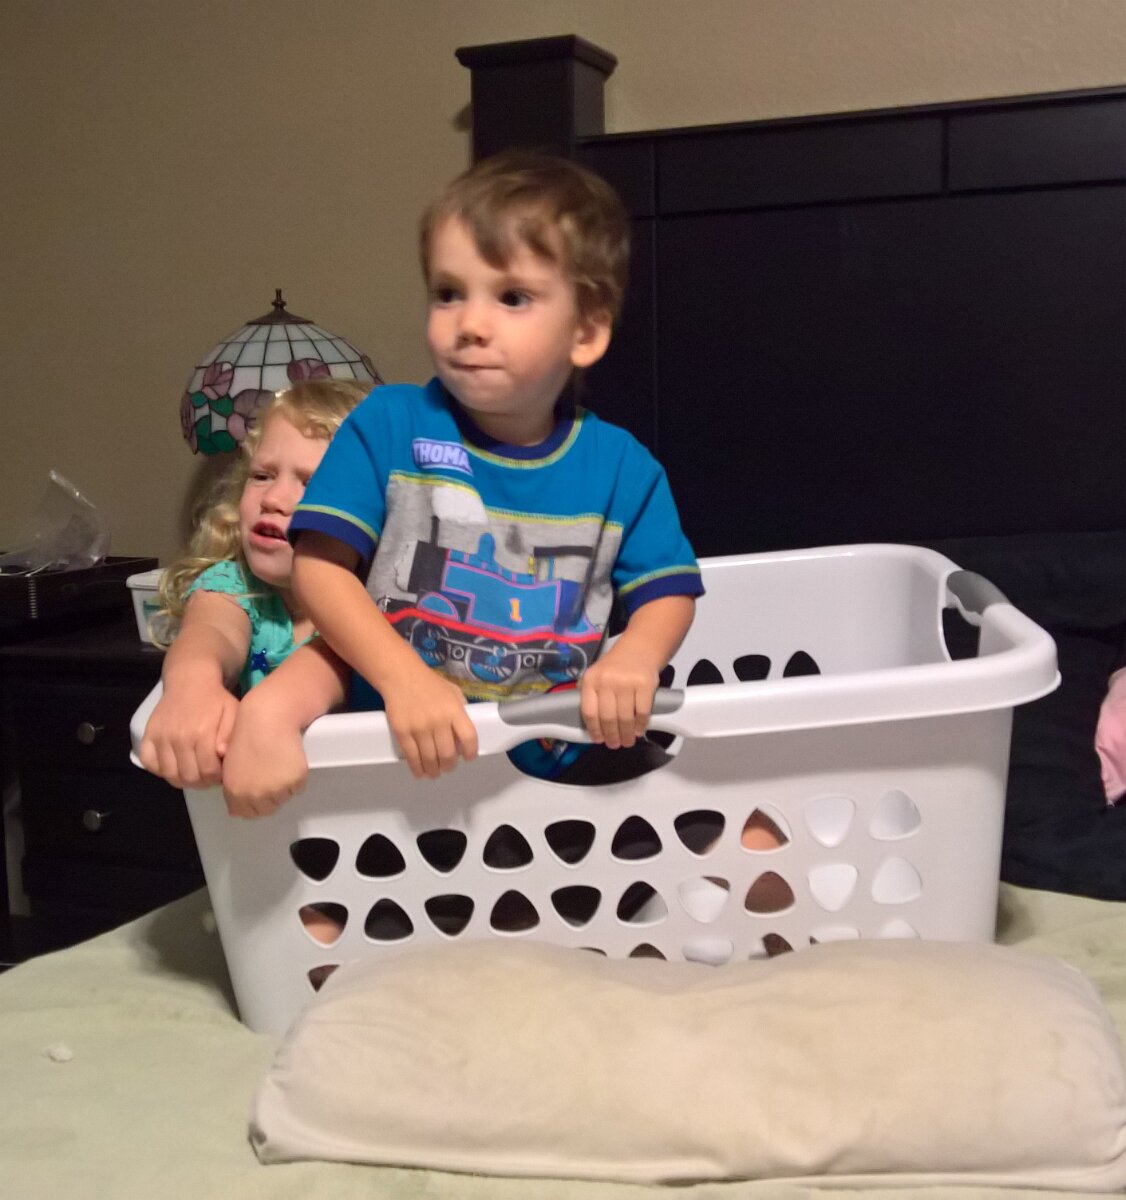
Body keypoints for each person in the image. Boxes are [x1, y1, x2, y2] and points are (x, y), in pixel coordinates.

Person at [220, 150, 706, 817]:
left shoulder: (624, 467)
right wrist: (403, 680)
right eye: (448, 293)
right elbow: (321, 570)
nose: (470, 324)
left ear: (586, 331)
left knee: (731, 829)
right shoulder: (387, 425)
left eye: (512, 298)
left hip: (562, 759)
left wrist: (635, 660)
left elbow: (668, 592)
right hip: (398, 755)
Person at [137, 377, 367, 795]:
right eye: (262, 475)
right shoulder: (237, 585)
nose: (273, 498)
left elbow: (345, 653)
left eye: (311, 483)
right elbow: (212, 630)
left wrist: (275, 708)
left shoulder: (384, 601)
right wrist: (192, 685)